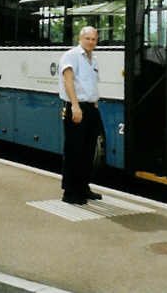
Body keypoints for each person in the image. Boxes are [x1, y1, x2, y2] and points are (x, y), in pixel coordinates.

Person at [58, 26, 103, 205]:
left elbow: (92, 85)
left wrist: (95, 104)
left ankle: (83, 187)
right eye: (88, 38)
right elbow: (68, 82)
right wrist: (75, 107)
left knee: (88, 150)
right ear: (80, 38)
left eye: (94, 39)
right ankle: (70, 192)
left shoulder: (94, 60)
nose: (91, 42)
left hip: (91, 108)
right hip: (76, 107)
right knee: (74, 150)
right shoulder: (71, 55)